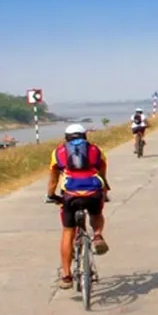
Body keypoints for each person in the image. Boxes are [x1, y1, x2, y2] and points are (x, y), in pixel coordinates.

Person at [46, 124, 110, 289]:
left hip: (70, 195)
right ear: (85, 136)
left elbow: (53, 179)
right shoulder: (96, 150)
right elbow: (102, 172)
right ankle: (97, 236)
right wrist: (104, 191)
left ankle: (67, 276)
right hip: (93, 192)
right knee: (96, 214)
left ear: (66, 137)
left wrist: (51, 195)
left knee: (68, 231)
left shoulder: (58, 152)